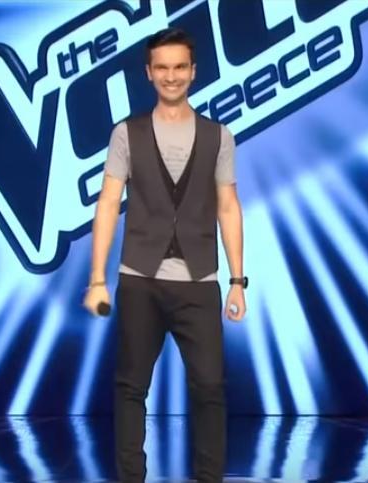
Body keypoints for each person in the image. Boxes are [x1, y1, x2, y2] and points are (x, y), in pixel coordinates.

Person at [83, 27, 247, 483]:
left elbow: (228, 206)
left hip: (199, 283)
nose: (170, 76)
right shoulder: (126, 134)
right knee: (130, 387)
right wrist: (97, 279)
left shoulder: (219, 136)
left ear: (193, 72)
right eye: (162, 68)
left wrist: (237, 281)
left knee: (210, 387)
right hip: (140, 279)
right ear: (148, 73)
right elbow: (107, 204)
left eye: (179, 67)